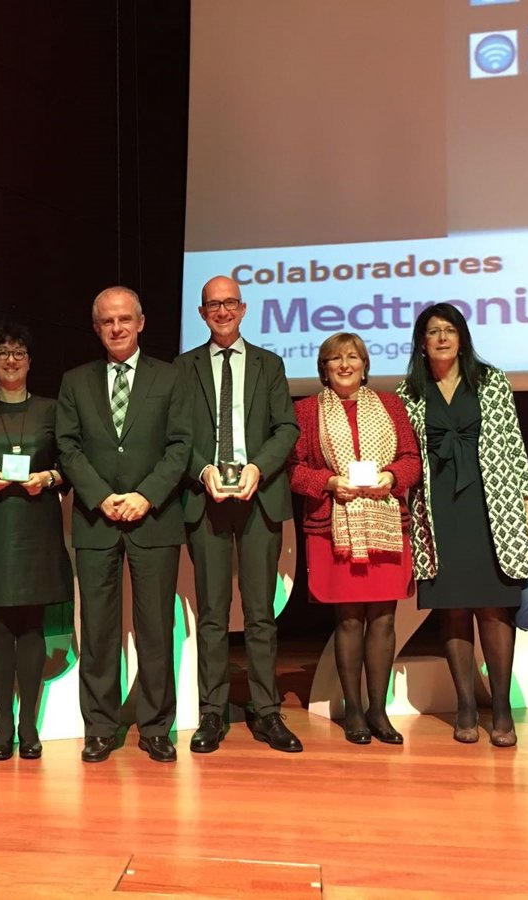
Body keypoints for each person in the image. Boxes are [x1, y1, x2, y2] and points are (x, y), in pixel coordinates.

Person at [55, 286, 191, 763]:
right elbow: (67, 446)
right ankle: (100, 727)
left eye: (124, 319)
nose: (117, 328)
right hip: (96, 520)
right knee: (98, 631)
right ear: (97, 328)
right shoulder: (75, 381)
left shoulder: (170, 378)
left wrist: (145, 496)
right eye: (107, 321)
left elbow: (180, 446)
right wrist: (101, 496)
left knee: (155, 629)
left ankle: (155, 727)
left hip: (154, 518)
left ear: (141, 322)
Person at [396, 303, 528, 748]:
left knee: (495, 607)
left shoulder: (492, 381)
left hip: (489, 506)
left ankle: (501, 708)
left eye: (450, 330)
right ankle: (465, 706)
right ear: (422, 343)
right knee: (453, 608)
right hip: (437, 510)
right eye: (433, 331)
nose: (442, 338)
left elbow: (513, 444)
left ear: (461, 338)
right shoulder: (408, 393)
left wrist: (527, 507)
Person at [176, 275, 302, 754]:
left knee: (259, 614)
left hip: (259, 496)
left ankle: (266, 711)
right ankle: (212, 711)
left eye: (230, 303)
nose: (223, 311)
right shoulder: (182, 368)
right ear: (202, 313)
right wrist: (202, 470)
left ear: (244, 309)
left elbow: (286, 428)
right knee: (211, 613)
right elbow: (175, 435)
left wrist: (257, 468)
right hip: (205, 497)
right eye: (214, 305)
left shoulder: (270, 364)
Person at [287, 333, 421, 745]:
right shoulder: (306, 410)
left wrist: (391, 477)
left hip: (386, 525)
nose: (344, 364)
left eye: (352, 357)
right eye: (335, 358)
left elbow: (411, 460)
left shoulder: (392, 405)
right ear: (323, 369)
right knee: (347, 619)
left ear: (365, 365)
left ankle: (379, 711)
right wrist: (328, 482)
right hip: (333, 529)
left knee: (383, 619)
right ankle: (354, 711)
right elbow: (292, 468)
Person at [0, 322, 73, 762]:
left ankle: (28, 724)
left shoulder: (52, 409)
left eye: (19, 353)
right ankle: (2, 724)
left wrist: (47, 477)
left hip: (36, 522)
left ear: (30, 361)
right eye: (2, 352)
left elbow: (69, 465)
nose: (11, 360)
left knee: (32, 624)